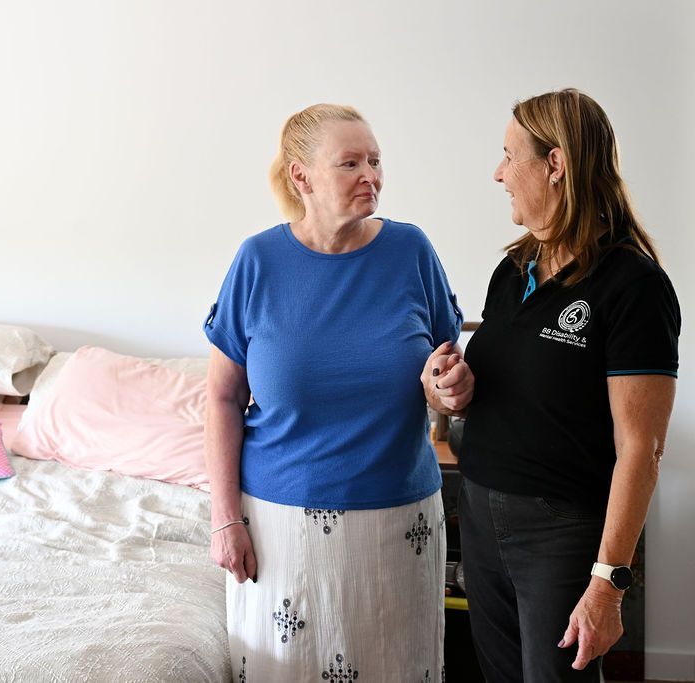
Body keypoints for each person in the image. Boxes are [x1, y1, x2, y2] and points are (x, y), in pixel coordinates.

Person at [204, 103, 471, 682]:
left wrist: (448, 388)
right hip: (280, 529)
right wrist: (225, 519)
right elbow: (222, 399)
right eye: (350, 163)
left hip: (400, 523)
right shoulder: (257, 261)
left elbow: (448, 373)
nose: (370, 176)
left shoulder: (412, 251)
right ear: (301, 176)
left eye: (375, 161)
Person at [425, 88, 680, 682]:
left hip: (558, 534)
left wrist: (608, 581)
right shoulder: (513, 271)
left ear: (556, 165)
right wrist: (454, 388)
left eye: (511, 156)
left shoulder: (633, 286)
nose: (499, 173)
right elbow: (513, 387)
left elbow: (642, 448)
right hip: (481, 515)